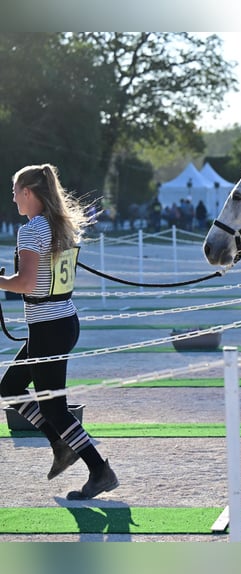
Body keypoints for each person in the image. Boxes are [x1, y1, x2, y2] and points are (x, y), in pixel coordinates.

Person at [0, 163, 118, 500]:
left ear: (29, 192)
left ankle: (99, 470)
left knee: (54, 407)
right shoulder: (59, 226)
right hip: (62, 321)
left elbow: (24, 283)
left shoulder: (32, 230)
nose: (13, 198)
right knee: (10, 387)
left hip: (48, 326)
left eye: (15, 191)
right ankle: (60, 445)